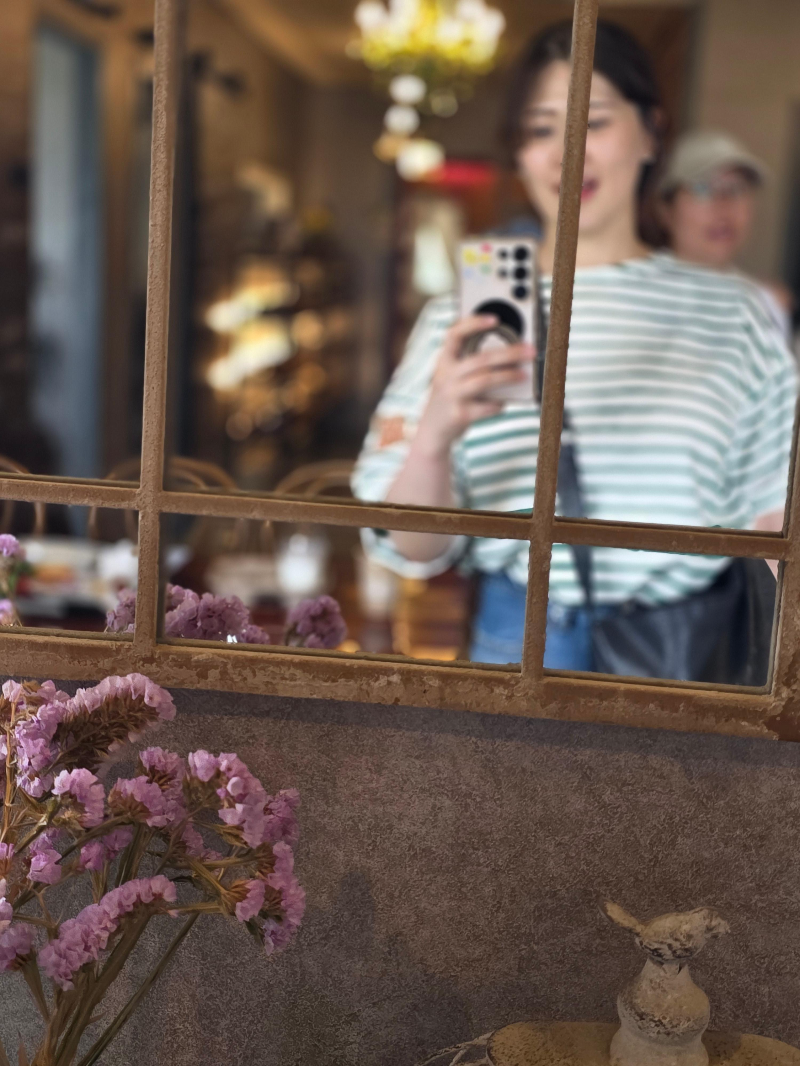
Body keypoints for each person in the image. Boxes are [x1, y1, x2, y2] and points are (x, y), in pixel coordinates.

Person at [352, 20, 799, 671]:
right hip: (513, 647)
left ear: (652, 132)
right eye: (540, 130)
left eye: (595, 123)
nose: (566, 153)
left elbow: (774, 517)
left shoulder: (731, 312)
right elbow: (411, 549)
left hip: (681, 658)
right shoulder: (471, 310)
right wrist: (434, 437)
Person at [659, 130, 793, 339]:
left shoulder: (765, 306)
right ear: (666, 210)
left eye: (737, 188)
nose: (724, 203)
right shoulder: (635, 295)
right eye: (702, 188)